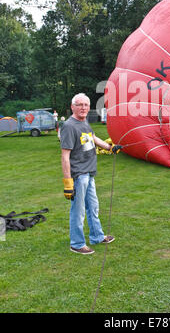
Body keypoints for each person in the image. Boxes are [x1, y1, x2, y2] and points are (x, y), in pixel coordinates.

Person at [60, 93, 121, 255]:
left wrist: (109, 147)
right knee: (78, 211)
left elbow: (92, 137)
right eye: (79, 105)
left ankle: (96, 236)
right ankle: (77, 243)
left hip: (89, 172)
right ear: (72, 107)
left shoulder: (84, 122)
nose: (83, 108)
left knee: (93, 207)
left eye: (86, 105)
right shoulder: (69, 126)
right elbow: (65, 155)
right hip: (78, 175)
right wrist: (68, 182)